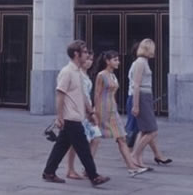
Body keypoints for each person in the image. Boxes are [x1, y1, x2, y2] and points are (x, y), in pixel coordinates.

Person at [42, 40, 110, 186]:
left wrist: (90, 112)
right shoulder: (67, 72)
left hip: (77, 116)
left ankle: (49, 172)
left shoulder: (78, 72)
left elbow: (83, 95)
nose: (87, 55)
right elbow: (60, 94)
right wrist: (59, 116)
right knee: (83, 148)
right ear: (76, 54)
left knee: (61, 146)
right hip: (70, 117)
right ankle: (94, 176)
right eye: (84, 52)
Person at [94, 50, 148, 176]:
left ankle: (131, 167)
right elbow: (97, 94)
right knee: (95, 139)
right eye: (115, 60)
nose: (118, 62)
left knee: (121, 138)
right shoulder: (101, 75)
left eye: (117, 59)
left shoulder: (113, 75)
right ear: (107, 61)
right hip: (103, 109)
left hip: (113, 109)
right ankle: (88, 167)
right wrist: (96, 111)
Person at [129, 38, 172, 168]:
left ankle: (137, 158)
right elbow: (136, 85)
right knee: (152, 131)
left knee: (145, 130)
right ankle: (134, 155)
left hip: (145, 96)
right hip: (142, 96)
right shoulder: (140, 62)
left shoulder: (143, 62)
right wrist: (136, 105)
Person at [65, 52, 101, 180]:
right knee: (75, 143)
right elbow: (82, 95)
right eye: (87, 59)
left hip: (86, 110)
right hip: (81, 111)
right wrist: (90, 111)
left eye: (91, 59)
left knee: (96, 137)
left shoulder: (86, 74)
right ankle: (71, 169)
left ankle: (87, 167)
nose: (89, 62)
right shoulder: (78, 74)